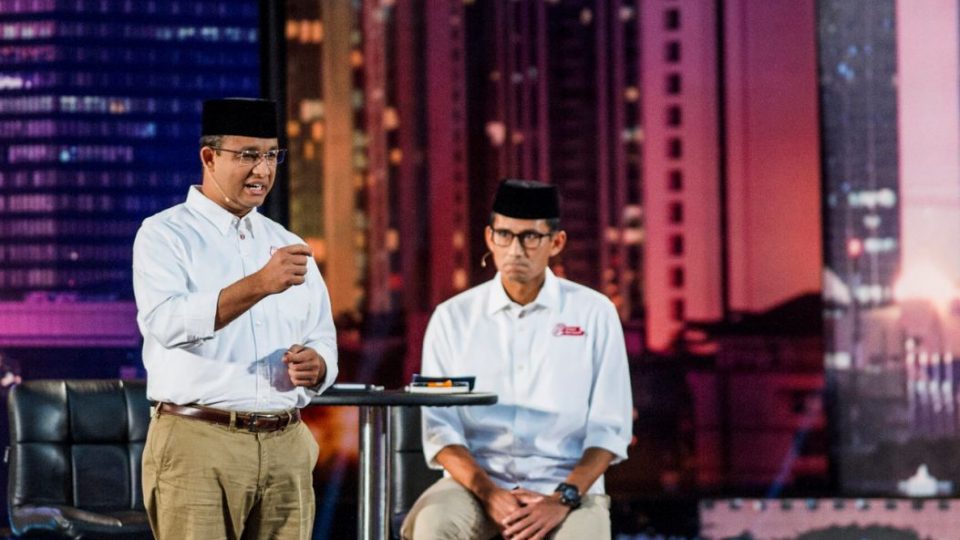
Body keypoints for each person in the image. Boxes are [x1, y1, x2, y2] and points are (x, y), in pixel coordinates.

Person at [132, 98, 338, 540]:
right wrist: (259, 284)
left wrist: (318, 365)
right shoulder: (165, 235)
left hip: (287, 444)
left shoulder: (287, 242)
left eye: (271, 155)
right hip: (199, 439)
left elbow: (323, 335)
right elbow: (167, 323)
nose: (262, 170)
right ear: (209, 157)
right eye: (247, 156)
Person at [401, 179, 633, 540]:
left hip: (568, 487)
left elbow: (610, 428)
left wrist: (562, 499)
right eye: (505, 235)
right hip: (474, 487)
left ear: (556, 243)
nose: (516, 250)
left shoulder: (594, 313)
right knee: (435, 524)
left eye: (530, 237)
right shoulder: (453, 317)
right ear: (490, 238)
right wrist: (491, 495)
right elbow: (440, 430)